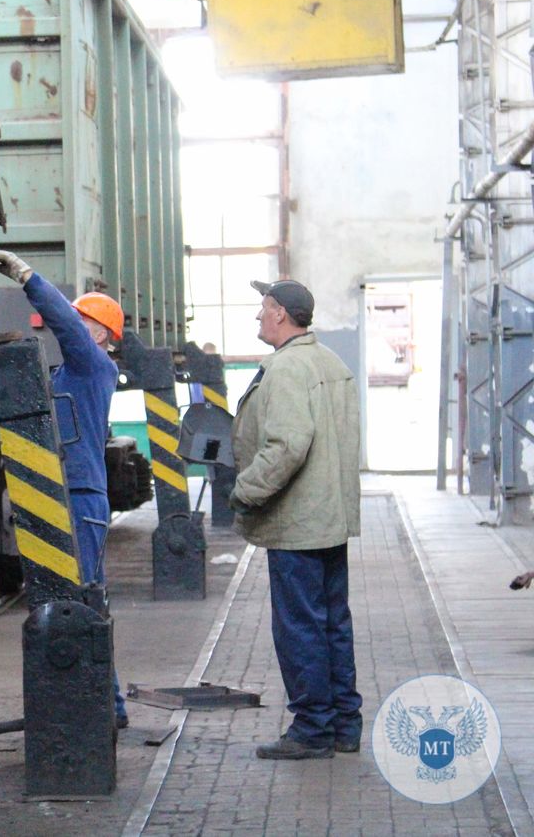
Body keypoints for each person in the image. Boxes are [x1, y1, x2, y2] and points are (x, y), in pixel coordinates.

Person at [0, 249, 129, 729]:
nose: (72, 325)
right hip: (72, 496)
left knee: (82, 603)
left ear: (100, 334)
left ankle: (102, 708)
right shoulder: (72, 373)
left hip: (82, 498)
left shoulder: (93, 366)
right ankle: (101, 705)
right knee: (82, 601)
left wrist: (28, 279)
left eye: (81, 319)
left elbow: (64, 326)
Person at [230, 279, 362, 760]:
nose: (258, 317)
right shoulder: (332, 363)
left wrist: (245, 491)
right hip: (330, 518)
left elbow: (287, 446)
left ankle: (311, 729)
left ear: (281, 314)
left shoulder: (286, 369)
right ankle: (345, 724)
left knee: (300, 627)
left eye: (263, 309)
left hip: (298, 523)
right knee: (333, 624)